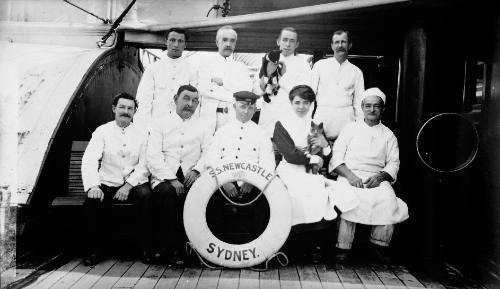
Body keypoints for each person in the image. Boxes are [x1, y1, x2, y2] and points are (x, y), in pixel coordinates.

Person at [330, 87, 409, 263]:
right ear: (362, 107)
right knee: (348, 198)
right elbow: (336, 157)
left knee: (388, 199)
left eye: (376, 106)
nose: (371, 110)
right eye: (367, 106)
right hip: (349, 175)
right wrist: (350, 176)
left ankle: (378, 246)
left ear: (383, 109)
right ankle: (342, 247)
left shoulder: (389, 135)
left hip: (376, 177)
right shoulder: (350, 129)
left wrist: (380, 177)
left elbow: (394, 163)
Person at [81, 92, 152, 266]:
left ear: (135, 112)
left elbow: (145, 164)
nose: (126, 111)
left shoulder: (143, 133)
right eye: (122, 107)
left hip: (134, 182)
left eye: (130, 108)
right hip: (107, 181)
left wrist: (128, 185)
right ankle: (95, 250)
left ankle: (146, 248)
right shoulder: (102, 131)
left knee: (147, 198)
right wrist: (93, 186)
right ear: (114, 109)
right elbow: (89, 159)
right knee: (92, 202)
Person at [273, 85, 358, 227]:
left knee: (332, 193)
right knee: (300, 195)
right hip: (289, 171)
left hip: (310, 172)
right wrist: (314, 158)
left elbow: (326, 157)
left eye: (306, 103)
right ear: (291, 103)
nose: (301, 107)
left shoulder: (314, 125)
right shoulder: (282, 124)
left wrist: (325, 146)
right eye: (297, 102)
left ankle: (313, 235)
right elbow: (290, 155)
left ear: (311, 104)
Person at [146, 84, 212, 267]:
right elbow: (153, 156)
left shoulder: (203, 126)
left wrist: (197, 170)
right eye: (186, 99)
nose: (190, 104)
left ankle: (183, 249)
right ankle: (169, 248)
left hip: (192, 176)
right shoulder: (159, 123)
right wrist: (172, 179)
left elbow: (209, 153)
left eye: (195, 100)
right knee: (168, 194)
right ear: (175, 99)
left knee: (195, 196)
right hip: (165, 178)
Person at [204, 91, 275, 242]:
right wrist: (225, 182)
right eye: (242, 106)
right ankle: (217, 247)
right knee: (210, 200)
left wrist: (252, 181)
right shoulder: (222, 132)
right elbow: (211, 160)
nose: (245, 111)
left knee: (265, 201)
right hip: (224, 184)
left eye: (250, 108)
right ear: (234, 106)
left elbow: (268, 164)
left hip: (253, 185)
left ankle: (259, 248)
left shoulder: (261, 134)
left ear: (255, 109)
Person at [135, 28, 198, 129]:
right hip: (156, 126)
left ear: (185, 45)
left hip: (181, 127)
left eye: (180, 41)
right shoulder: (153, 69)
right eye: (172, 40)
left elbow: (194, 104)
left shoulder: (192, 71)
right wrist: (145, 130)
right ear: (166, 42)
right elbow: (143, 102)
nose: (176, 45)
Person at [311, 30, 364, 141]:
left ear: (349, 45)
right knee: (319, 156)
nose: (340, 45)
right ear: (332, 45)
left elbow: (359, 103)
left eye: (343, 42)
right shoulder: (319, 66)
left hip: (346, 122)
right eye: (337, 42)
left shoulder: (356, 71)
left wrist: (360, 128)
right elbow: (309, 96)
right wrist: (308, 121)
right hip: (322, 119)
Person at [258, 27, 312, 138]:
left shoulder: (303, 65)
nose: (288, 44)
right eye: (285, 40)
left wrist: (282, 80)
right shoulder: (267, 61)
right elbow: (257, 89)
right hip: (269, 115)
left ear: (297, 44)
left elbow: (304, 93)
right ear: (278, 41)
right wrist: (267, 76)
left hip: (290, 116)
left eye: (292, 41)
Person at [198, 25, 253, 132]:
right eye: (224, 40)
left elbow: (246, 91)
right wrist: (233, 94)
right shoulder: (206, 64)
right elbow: (204, 89)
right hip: (209, 118)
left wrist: (223, 83)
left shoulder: (241, 67)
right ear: (217, 42)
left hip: (232, 117)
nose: (228, 44)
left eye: (232, 41)